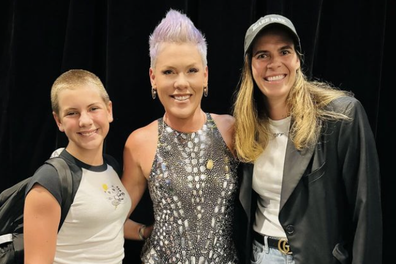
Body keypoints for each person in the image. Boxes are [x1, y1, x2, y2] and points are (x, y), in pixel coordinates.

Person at [232, 14, 382, 264]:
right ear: (249, 66)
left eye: (284, 51)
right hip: (260, 255)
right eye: (262, 55)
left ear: (298, 60)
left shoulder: (341, 116)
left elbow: (366, 210)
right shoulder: (246, 127)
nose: (274, 63)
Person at [121, 9, 239, 264]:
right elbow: (111, 218)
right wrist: (143, 232)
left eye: (192, 71)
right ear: (153, 78)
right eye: (169, 72)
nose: (181, 83)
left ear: (205, 75)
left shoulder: (232, 130)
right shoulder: (140, 142)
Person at [23, 69, 133, 264]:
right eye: (72, 113)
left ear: (109, 111)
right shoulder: (51, 181)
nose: (85, 121)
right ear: (59, 121)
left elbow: (104, 223)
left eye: (93, 108)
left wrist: (143, 231)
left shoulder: (111, 167)